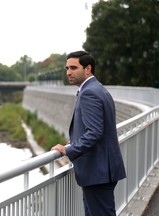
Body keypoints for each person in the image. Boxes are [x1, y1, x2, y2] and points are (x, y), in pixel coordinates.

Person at [51, 50, 126, 216]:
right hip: (101, 170)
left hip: (97, 171)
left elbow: (94, 132)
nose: (68, 72)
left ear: (88, 69)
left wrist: (68, 150)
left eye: (73, 67)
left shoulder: (89, 93)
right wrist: (75, 141)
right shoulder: (97, 88)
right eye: (67, 68)